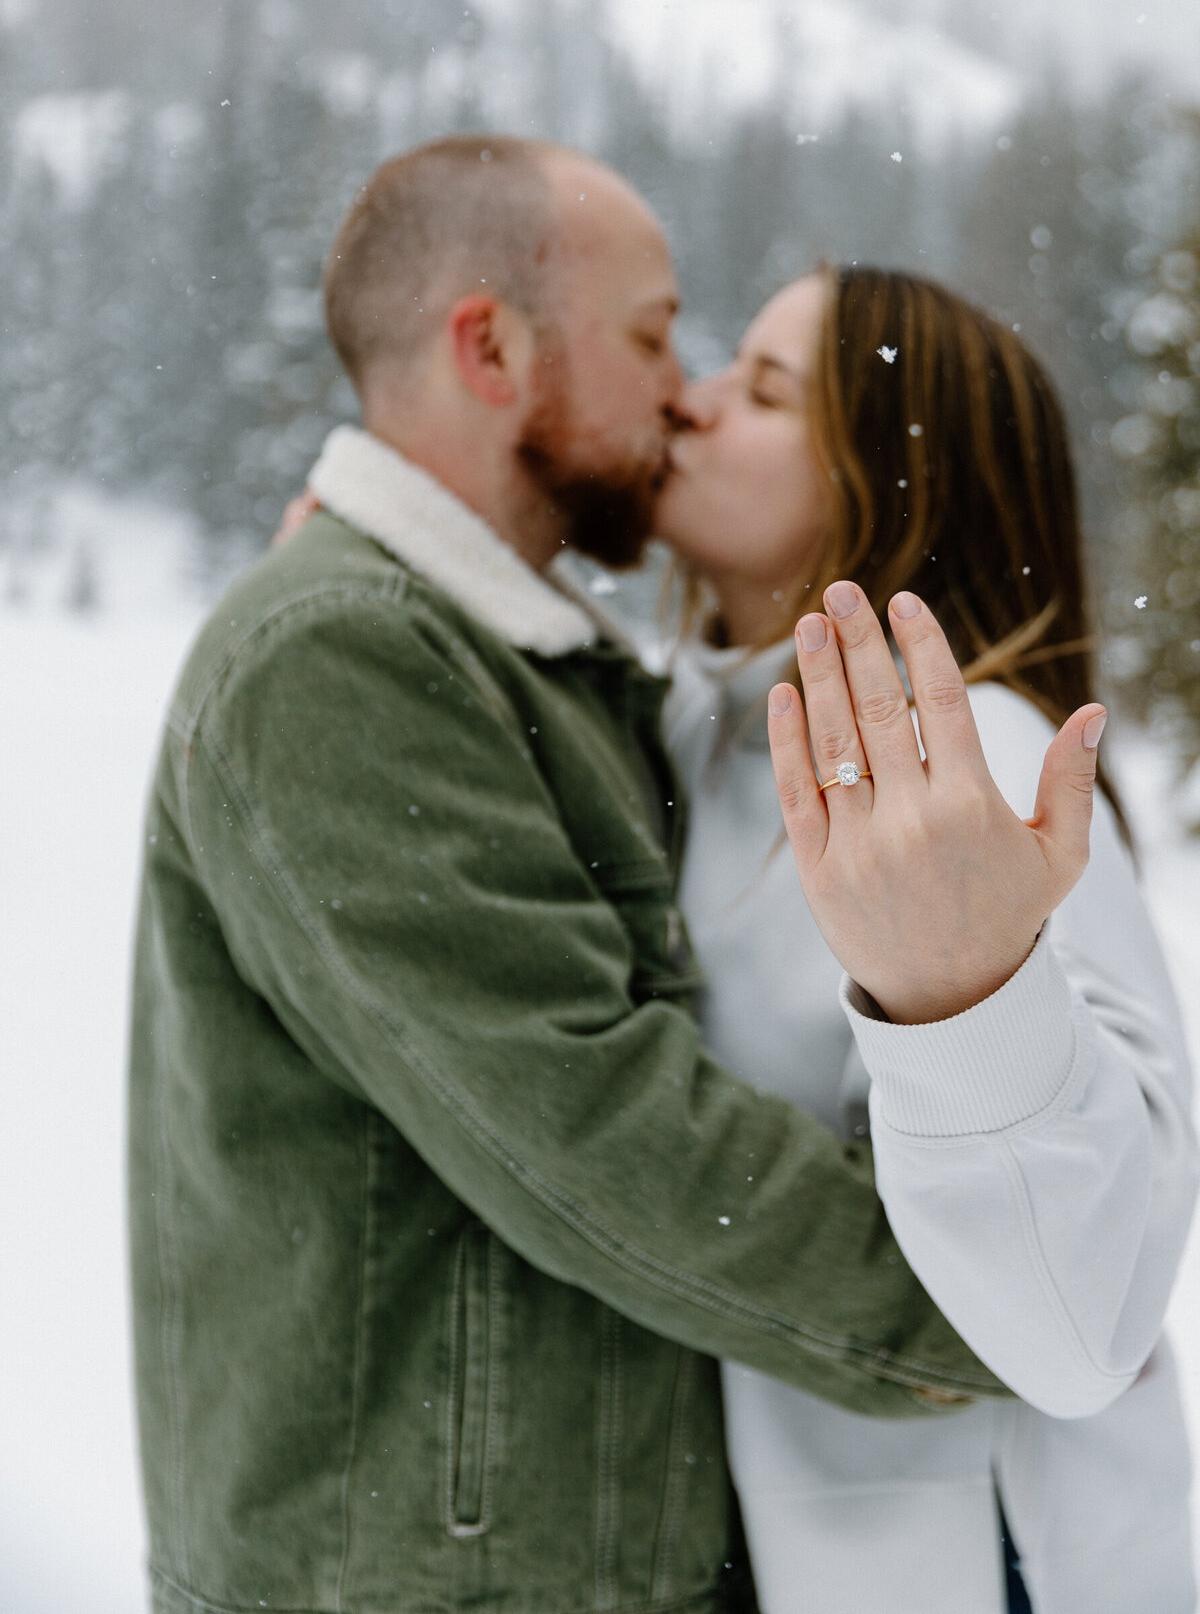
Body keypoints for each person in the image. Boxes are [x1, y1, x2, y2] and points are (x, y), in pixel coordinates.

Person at [130, 136, 1112, 1614]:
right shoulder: (338, 655)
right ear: (490, 345)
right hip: (417, 1580)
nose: (679, 390)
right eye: (652, 334)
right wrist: (1002, 1317)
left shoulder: (509, 658)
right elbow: (595, 1129)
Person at [651, 265, 1199, 1613]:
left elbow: (1090, 1320)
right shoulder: (707, 728)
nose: (694, 400)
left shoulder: (983, 776)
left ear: (884, 482)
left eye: (765, 389)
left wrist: (967, 1001)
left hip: (993, 1561)